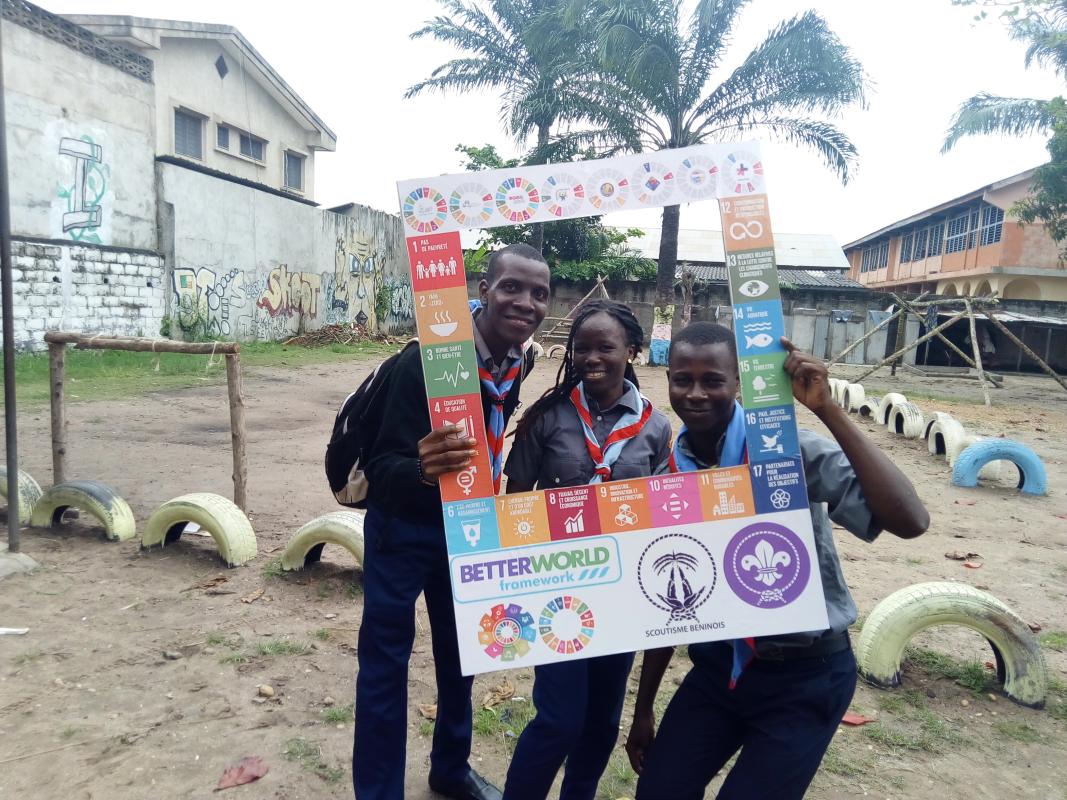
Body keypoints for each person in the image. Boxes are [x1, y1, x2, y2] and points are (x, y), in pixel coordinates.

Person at [627, 321, 929, 800]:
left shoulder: (784, 454)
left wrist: (827, 409)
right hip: (720, 670)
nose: (696, 393)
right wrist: (643, 710)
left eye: (713, 380)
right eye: (682, 379)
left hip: (806, 675)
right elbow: (671, 607)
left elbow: (910, 520)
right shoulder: (670, 474)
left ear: (739, 383)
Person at [353, 244, 551, 800]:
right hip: (404, 530)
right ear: (483, 291)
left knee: (464, 654)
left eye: (539, 293)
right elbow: (380, 466)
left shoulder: (520, 359)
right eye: (512, 286)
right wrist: (421, 468)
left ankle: (450, 770)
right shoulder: (428, 362)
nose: (526, 302)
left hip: (469, 527)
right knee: (385, 668)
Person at [501, 300, 672, 800]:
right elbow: (516, 505)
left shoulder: (655, 429)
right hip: (558, 591)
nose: (591, 358)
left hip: (621, 595)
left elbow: (660, 512)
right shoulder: (549, 417)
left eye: (605, 347)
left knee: (600, 722)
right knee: (559, 719)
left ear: (632, 351)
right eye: (581, 349)